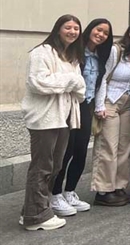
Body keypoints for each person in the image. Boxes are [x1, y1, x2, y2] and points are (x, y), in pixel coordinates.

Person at [20, 14, 85, 231]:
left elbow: (82, 90)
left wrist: (72, 83)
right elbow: (38, 82)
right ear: (58, 29)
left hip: (64, 118)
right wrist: (71, 81)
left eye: (76, 28)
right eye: (68, 27)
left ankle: (34, 209)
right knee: (42, 167)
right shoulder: (42, 52)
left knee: (55, 166)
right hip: (44, 118)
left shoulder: (71, 57)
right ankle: (36, 216)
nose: (73, 32)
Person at [52, 18, 113, 216]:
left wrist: (99, 105)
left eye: (105, 32)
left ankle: (70, 192)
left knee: (80, 151)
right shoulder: (75, 50)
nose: (101, 34)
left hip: (86, 106)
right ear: (90, 29)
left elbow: (102, 81)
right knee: (66, 151)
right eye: (98, 30)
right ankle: (55, 194)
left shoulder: (102, 55)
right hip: (70, 105)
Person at [92, 20, 130, 206]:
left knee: (125, 146)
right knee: (108, 144)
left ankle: (119, 186)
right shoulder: (116, 51)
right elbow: (103, 76)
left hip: (129, 102)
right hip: (110, 100)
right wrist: (99, 105)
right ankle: (103, 189)